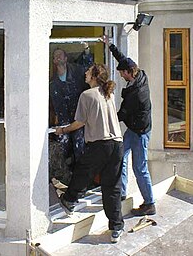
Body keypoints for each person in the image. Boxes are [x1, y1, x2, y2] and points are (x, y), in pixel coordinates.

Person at [55, 64, 124, 243]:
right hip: (117, 144)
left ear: (93, 76)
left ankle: (70, 200)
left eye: (88, 71)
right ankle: (116, 227)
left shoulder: (86, 95)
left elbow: (79, 123)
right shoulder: (109, 93)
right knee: (112, 187)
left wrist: (62, 130)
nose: (85, 73)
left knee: (82, 172)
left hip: (101, 144)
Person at [101, 35, 156, 216]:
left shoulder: (136, 94)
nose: (120, 75)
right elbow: (123, 59)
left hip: (140, 133)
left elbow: (121, 115)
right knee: (121, 157)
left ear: (129, 73)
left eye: (121, 73)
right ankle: (122, 192)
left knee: (139, 168)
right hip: (134, 129)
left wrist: (104, 122)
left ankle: (149, 204)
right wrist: (110, 45)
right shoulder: (139, 75)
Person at [49, 46, 93, 182]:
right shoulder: (52, 83)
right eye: (55, 56)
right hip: (62, 122)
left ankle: (83, 182)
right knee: (61, 152)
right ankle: (65, 180)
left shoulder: (77, 72)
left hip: (78, 121)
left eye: (60, 55)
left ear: (66, 58)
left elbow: (89, 67)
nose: (58, 57)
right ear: (53, 61)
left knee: (80, 150)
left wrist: (86, 50)